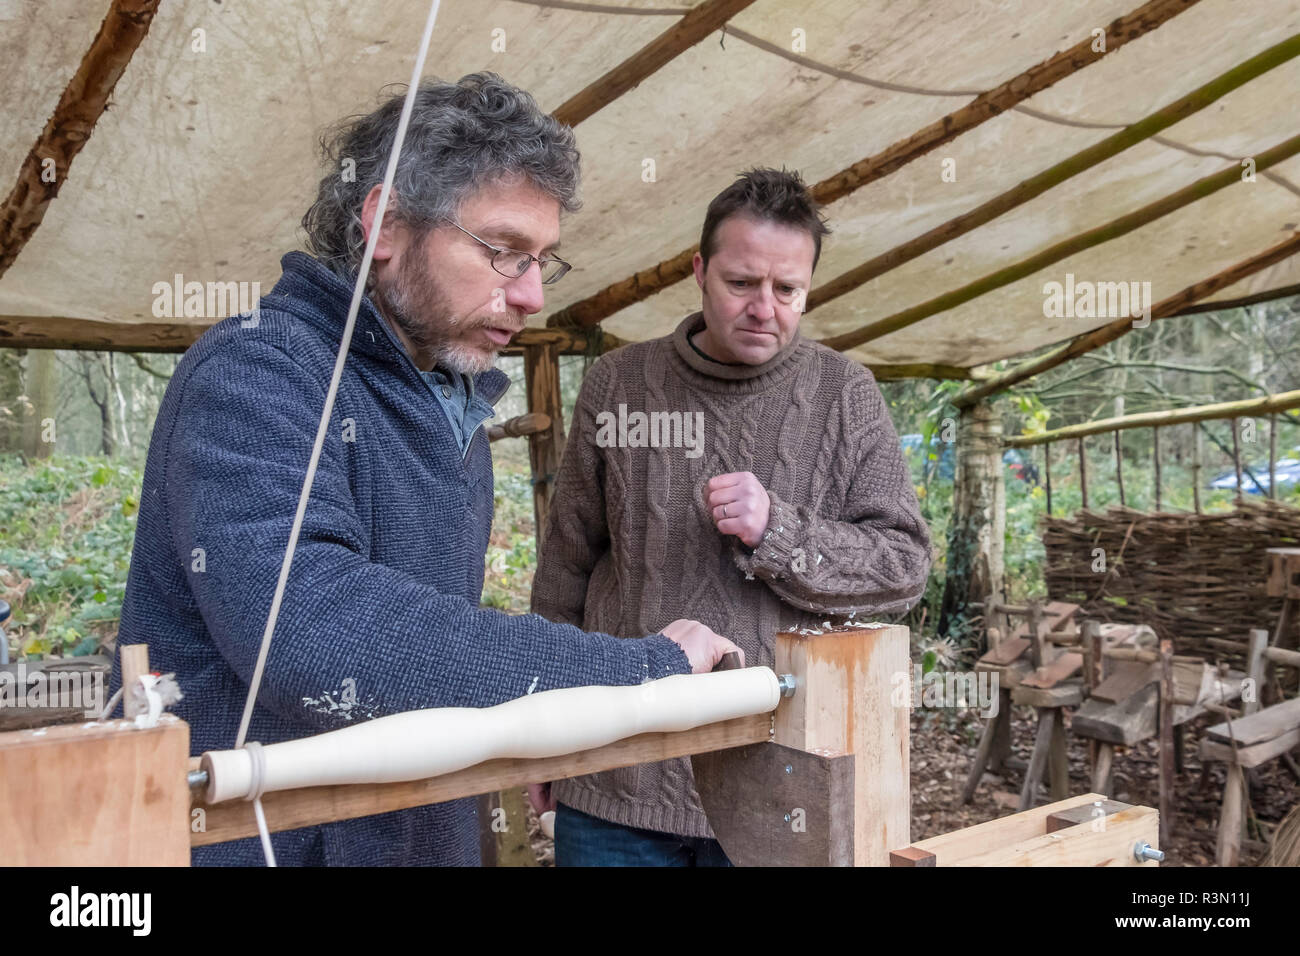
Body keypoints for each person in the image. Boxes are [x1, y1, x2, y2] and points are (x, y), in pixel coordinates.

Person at [114, 73, 739, 867]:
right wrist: (635, 673)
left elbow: (429, 659)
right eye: (504, 252)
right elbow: (310, 629)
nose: (533, 295)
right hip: (260, 844)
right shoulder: (260, 369)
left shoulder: (452, 406)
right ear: (385, 223)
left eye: (544, 260)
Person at [529, 168, 932, 866]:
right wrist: (538, 726)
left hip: (784, 787)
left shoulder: (845, 395)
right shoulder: (619, 386)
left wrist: (779, 532)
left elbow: (902, 568)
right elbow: (564, 569)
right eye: (741, 283)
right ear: (698, 271)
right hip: (616, 782)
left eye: (787, 290)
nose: (763, 307)